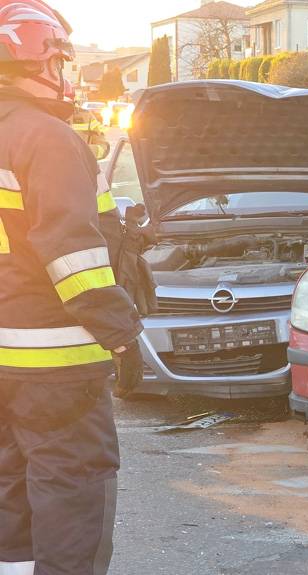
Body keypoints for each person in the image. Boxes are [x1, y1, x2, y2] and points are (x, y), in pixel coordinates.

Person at [0, 2, 144, 574]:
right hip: (55, 363)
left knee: (9, 492)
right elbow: (73, 257)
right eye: (60, 62)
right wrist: (122, 333)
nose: (64, 75)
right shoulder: (46, 138)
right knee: (72, 488)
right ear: (36, 64)